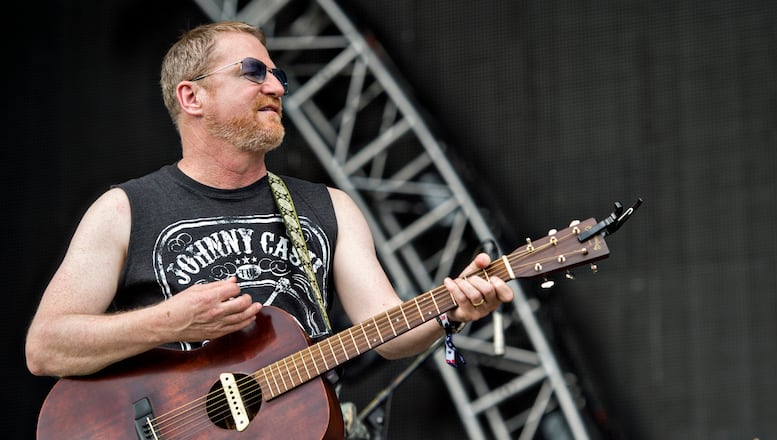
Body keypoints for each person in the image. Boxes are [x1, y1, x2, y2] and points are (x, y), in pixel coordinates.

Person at [26, 19, 512, 401]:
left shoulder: (329, 207)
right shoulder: (123, 210)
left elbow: (385, 329)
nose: (277, 87)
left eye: (276, 75)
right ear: (191, 96)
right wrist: (169, 322)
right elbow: (45, 348)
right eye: (254, 72)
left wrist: (451, 311)